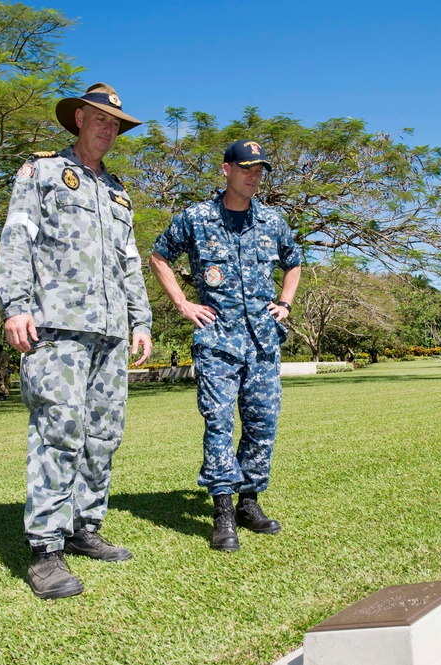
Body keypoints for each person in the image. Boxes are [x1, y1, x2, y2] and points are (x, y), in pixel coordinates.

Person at [0, 82, 152, 600]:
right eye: (100, 119)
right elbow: (16, 238)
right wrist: (15, 306)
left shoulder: (116, 191)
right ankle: (44, 549)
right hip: (57, 327)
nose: (108, 129)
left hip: (110, 331)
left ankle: (85, 527)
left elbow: (129, 261)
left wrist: (141, 320)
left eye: (116, 124)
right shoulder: (40, 172)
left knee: (103, 434)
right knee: (58, 431)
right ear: (79, 118)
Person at [150, 139, 301, 552]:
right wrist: (183, 302)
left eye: (260, 170)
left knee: (262, 426)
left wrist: (284, 303)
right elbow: (159, 255)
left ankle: (249, 501)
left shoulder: (272, 221)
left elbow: (294, 260)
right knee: (219, 424)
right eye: (247, 168)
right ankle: (223, 511)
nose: (254, 176)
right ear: (226, 170)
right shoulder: (197, 218)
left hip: (263, 342)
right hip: (217, 340)